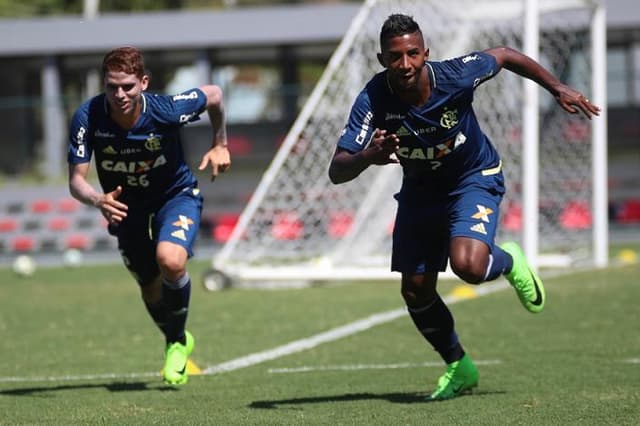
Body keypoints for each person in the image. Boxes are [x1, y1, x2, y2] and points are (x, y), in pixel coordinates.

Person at [328, 14, 600, 401]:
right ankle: (459, 365)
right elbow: (337, 170)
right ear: (381, 59)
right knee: (416, 291)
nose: (405, 64)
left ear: (426, 53)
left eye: (413, 54)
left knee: (470, 266)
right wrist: (369, 155)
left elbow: (504, 55)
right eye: (395, 57)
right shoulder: (372, 99)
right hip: (421, 191)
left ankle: (508, 261)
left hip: (473, 177)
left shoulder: (454, 75)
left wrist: (557, 88)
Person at [67, 46, 230, 385]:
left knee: (169, 260)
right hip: (125, 208)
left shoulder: (167, 110)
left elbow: (214, 94)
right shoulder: (88, 116)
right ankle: (176, 340)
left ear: (143, 82)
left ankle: (175, 343)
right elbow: (76, 182)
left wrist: (220, 143)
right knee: (150, 287)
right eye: (112, 86)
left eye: (128, 86)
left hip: (175, 196)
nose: (120, 94)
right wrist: (98, 199)